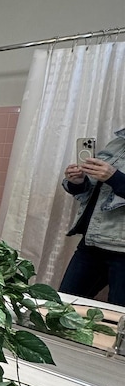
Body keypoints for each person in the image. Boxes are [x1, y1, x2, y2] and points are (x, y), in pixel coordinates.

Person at [60, 127, 125, 307]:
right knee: (62, 308)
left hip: (122, 251)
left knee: (119, 319)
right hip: (91, 242)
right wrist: (78, 182)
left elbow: (113, 180)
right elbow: (94, 193)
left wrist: (114, 177)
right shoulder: (117, 142)